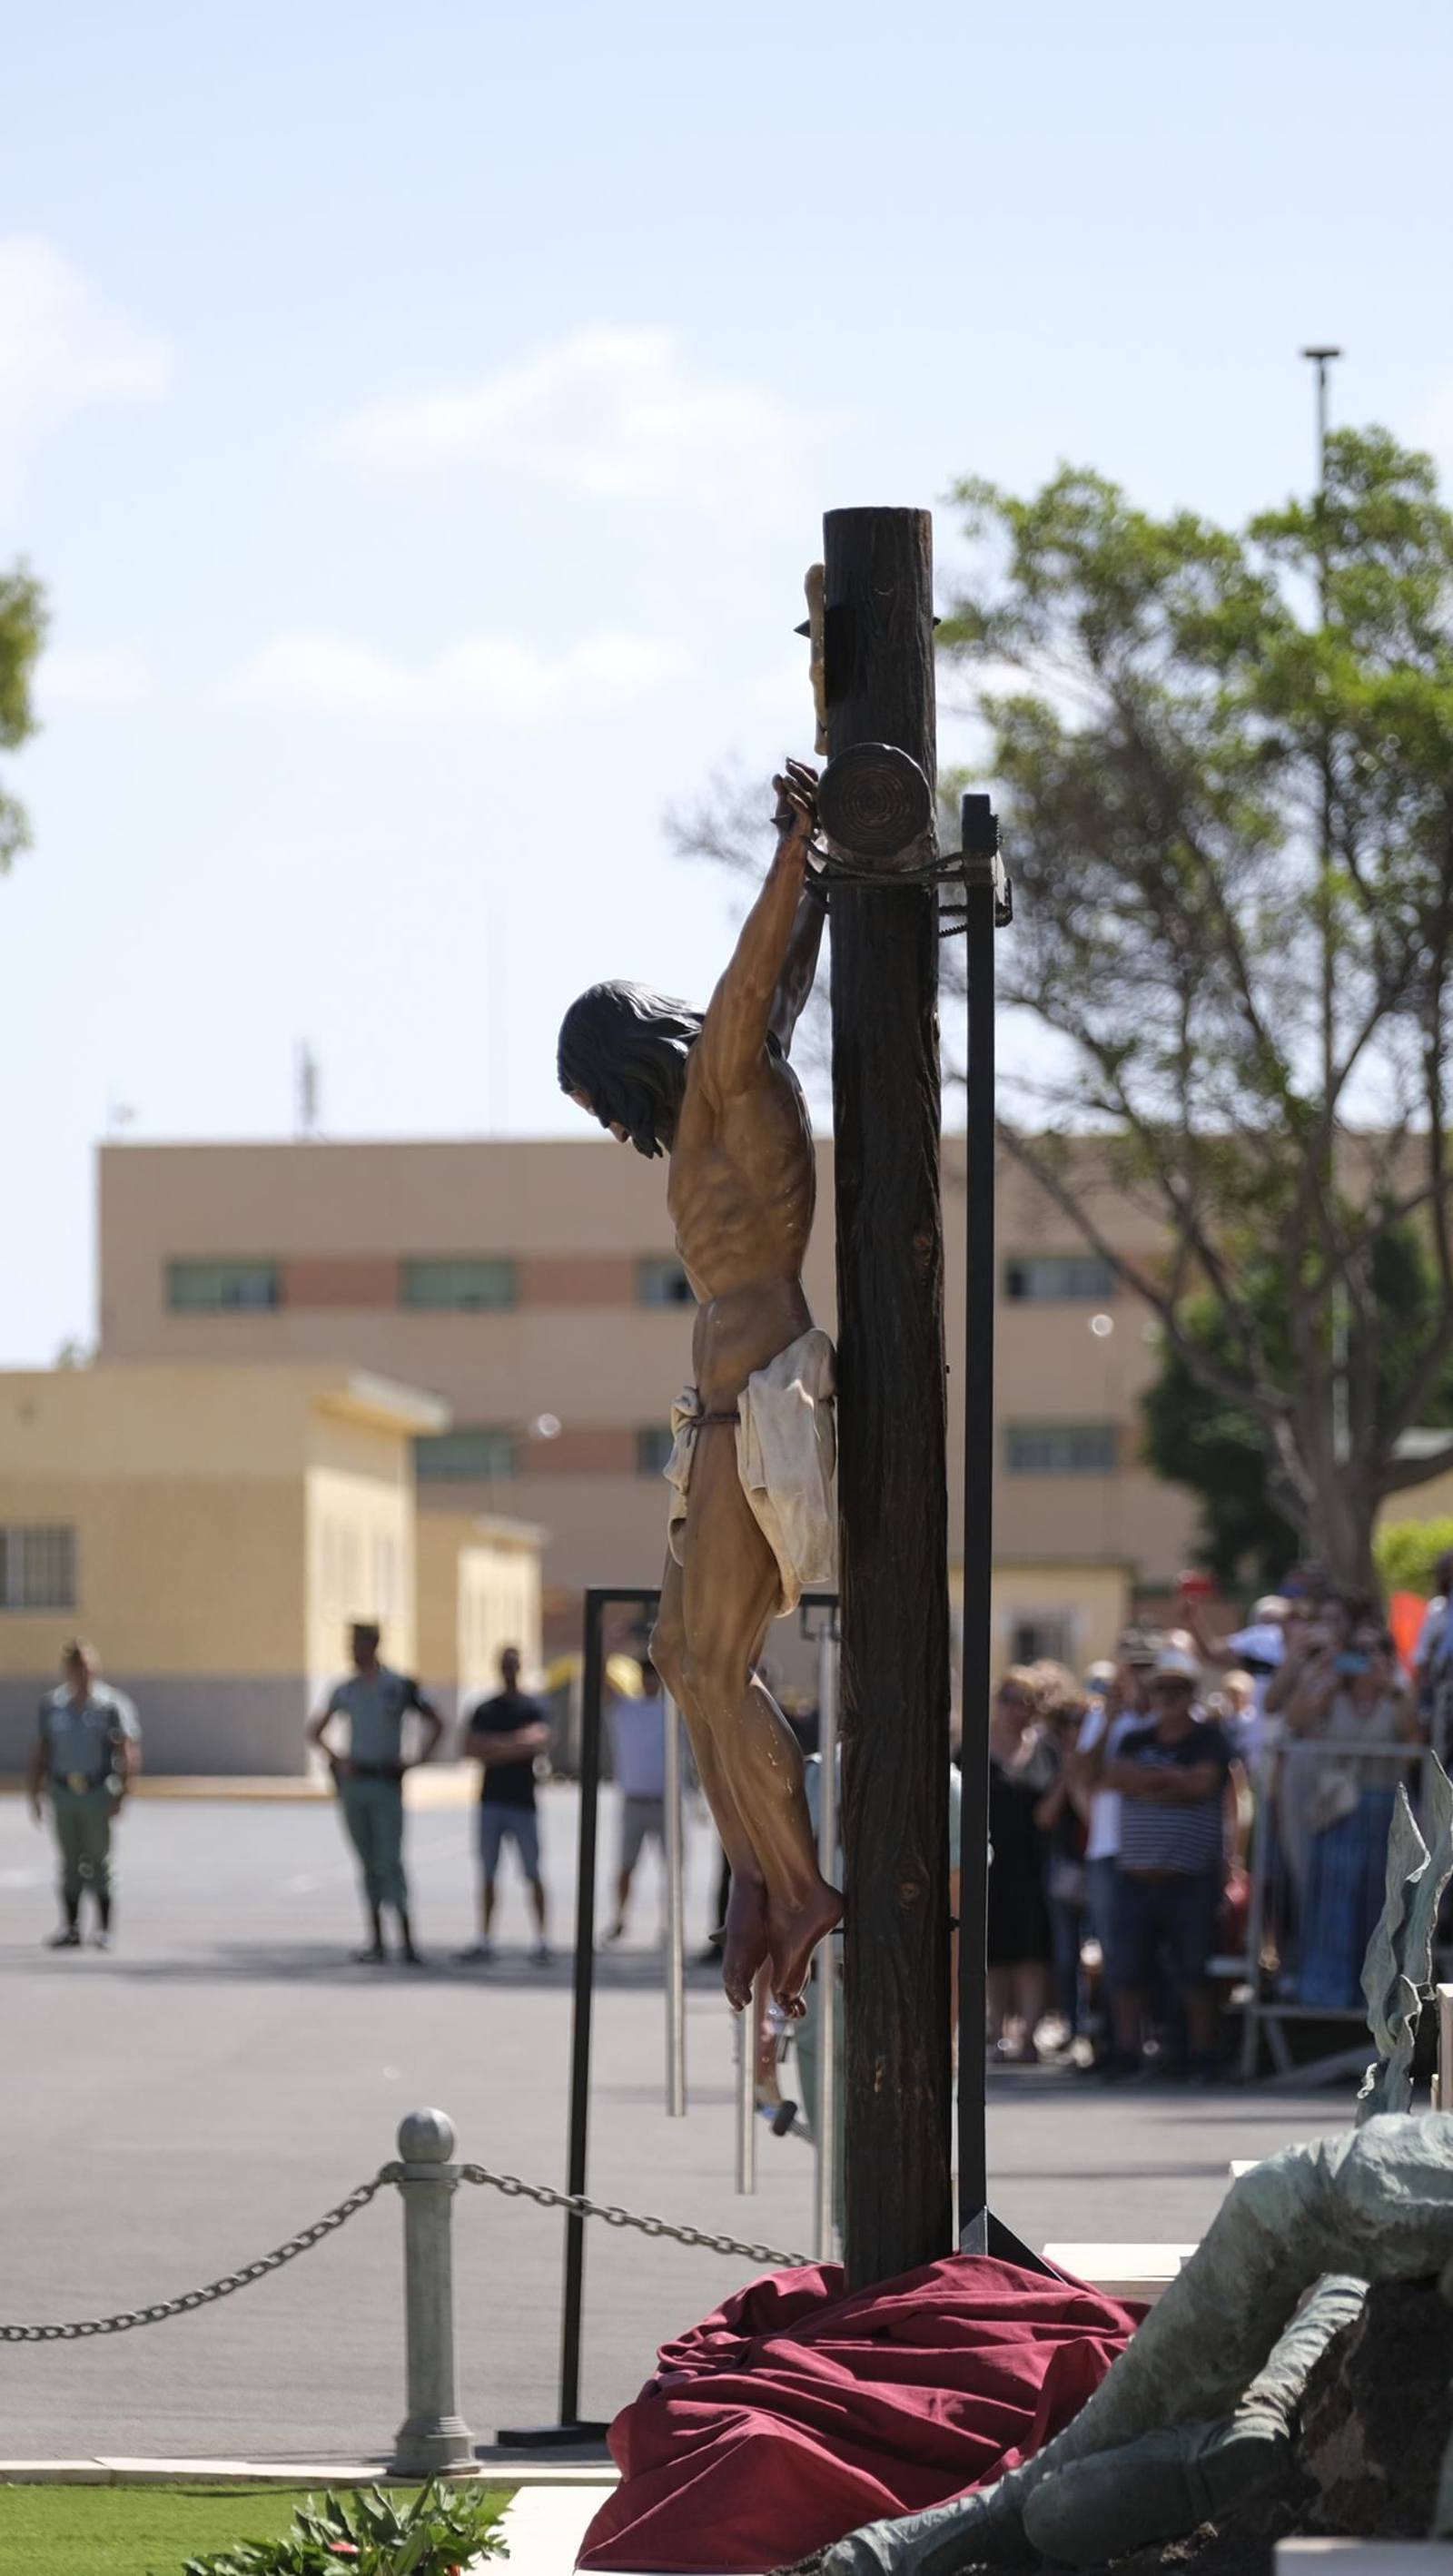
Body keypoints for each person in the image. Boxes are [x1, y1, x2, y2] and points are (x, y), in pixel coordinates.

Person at [558, 758, 842, 2017]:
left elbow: (747, 979)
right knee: (678, 1652)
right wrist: (818, 879)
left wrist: (797, 843)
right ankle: (753, 1871)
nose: (615, 1134)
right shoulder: (727, 1094)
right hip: (724, 1414)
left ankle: (798, 1882)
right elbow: (781, 982)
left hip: (766, 1401)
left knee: (719, 1663)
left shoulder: (727, 1074)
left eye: (602, 1106)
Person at [1102, 1642, 1237, 2083]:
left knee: (1194, 1971)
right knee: (1125, 1971)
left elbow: (1202, 1784)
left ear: (1191, 1693)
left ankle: (1200, 2054)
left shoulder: (1209, 1739)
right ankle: (1127, 2054)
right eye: (1161, 1689)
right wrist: (1172, 1781)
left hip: (1190, 1878)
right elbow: (1119, 1777)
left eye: (1178, 1690)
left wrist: (1151, 1782)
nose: (1168, 1698)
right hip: (1135, 1876)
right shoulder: (1134, 1737)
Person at [1287, 1616, 1423, 2008]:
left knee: (1380, 1907)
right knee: (1334, 1907)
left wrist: (1394, 1686)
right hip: (1339, 1817)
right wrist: (1319, 1669)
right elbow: (1295, 1720)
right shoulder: (1333, 1695)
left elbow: (1414, 1735)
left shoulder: (1396, 1698)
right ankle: (1326, 1993)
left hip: (1383, 1817)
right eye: (1357, 1651)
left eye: (1374, 1650)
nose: (1365, 1659)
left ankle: (1378, 1999)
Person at [307, 1621, 442, 1965]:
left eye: (359, 1644)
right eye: (351, 1644)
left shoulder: (398, 1685)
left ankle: (407, 1940)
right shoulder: (346, 1689)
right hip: (356, 1783)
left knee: (390, 1860)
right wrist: (338, 1760)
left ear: (374, 1645)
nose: (353, 1650)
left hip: (385, 1782)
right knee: (367, 1861)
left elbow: (435, 1721)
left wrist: (416, 1759)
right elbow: (316, 1730)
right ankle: (377, 1940)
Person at [26, 1639, 140, 1950]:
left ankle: (104, 1930)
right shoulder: (52, 1705)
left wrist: (123, 1792)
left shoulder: (109, 1704)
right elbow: (41, 1752)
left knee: (99, 1862)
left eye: (88, 1666)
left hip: (96, 1792)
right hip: (63, 1792)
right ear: (68, 1670)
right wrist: (34, 1794)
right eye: (77, 1667)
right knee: (69, 1863)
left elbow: (126, 1749)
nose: (84, 1672)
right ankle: (71, 1927)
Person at [458, 1645, 553, 1963]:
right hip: (491, 1801)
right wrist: (516, 1743)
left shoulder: (532, 1706)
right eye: (505, 1664)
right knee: (487, 1872)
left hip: (523, 1802)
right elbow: (470, 1747)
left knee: (533, 1872)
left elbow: (539, 1741)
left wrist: (495, 1746)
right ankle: (484, 1938)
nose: (510, 1670)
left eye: (514, 1664)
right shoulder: (486, 1709)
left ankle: (542, 1940)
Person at [984, 1667, 1057, 2061]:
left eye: (1027, 1701)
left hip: (1036, 1862)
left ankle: (1028, 2036)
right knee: (994, 1951)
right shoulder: (975, 1747)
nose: (1018, 1709)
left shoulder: (1047, 1751)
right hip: (989, 1861)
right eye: (1011, 1699)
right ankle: (998, 2033)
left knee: (1033, 1951)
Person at [607, 1653, 668, 1943]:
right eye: (646, 1676)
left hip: (665, 1801)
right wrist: (608, 1646)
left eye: (655, 1676)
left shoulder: (671, 1710)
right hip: (635, 1800)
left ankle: (668, 1923)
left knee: (671, 1869)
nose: (650, 1682)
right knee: (626, 1866)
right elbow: (601, 1687)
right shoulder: (625, 1709)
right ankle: (620, 1917)